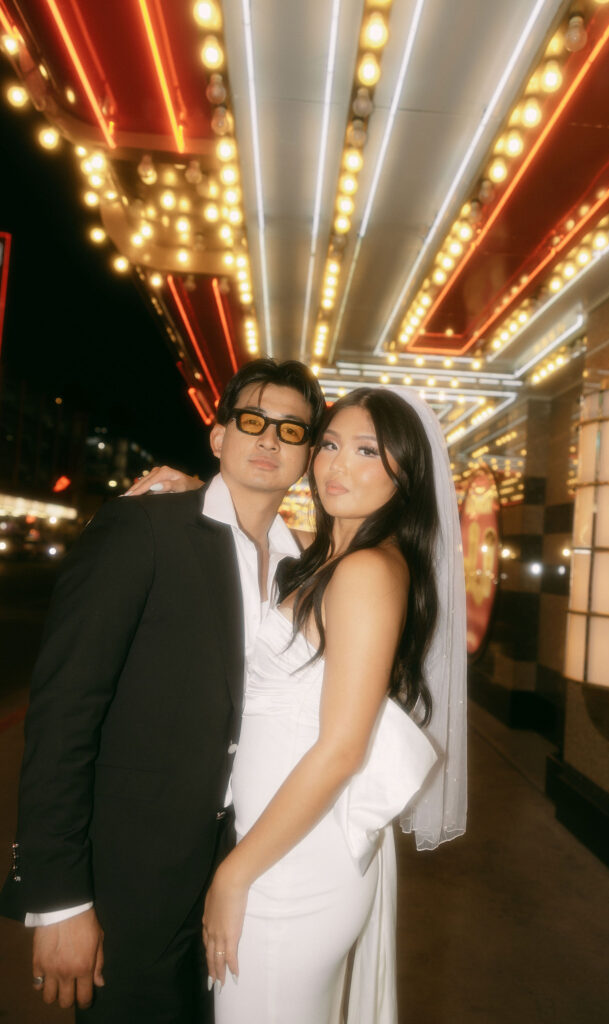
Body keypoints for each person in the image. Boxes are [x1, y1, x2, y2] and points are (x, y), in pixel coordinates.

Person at [0, 358, 326, 1023]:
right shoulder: (144, 529)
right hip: (131, 875)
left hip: (254, 873)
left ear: (308, 454)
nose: (268, 440)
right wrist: (59, 896)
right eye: (252, 421)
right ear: (217, 436)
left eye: (290, 430)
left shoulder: (307, 571)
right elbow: (64, 714)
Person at [150, 386, 467, 1023]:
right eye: (327, 444)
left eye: (366, 451)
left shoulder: (369, 572)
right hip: (281, 849)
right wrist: (194, 485)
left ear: (405, 472)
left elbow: (343, 747)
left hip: (289, 868)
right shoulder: (325, 558)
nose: (334, 465)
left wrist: (234, 874)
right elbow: (253, 537)